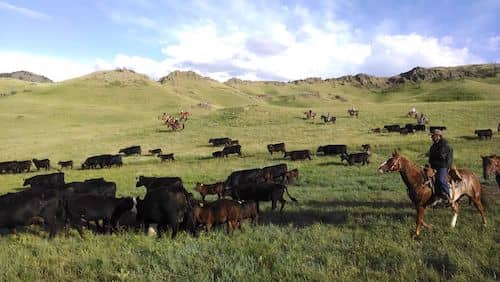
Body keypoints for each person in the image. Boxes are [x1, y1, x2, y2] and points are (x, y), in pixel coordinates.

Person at [428, 129, 453, 204]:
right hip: (434, 165)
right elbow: (433, 155)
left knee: (441, 180)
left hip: (443, 165)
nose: (432, 137)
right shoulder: (433, 146)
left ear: (438, 136)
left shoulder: (444, 145)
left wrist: (431, 155)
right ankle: (437, 196)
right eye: (432, 136)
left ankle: (449, 197)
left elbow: (441, 156)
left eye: (433, 136)